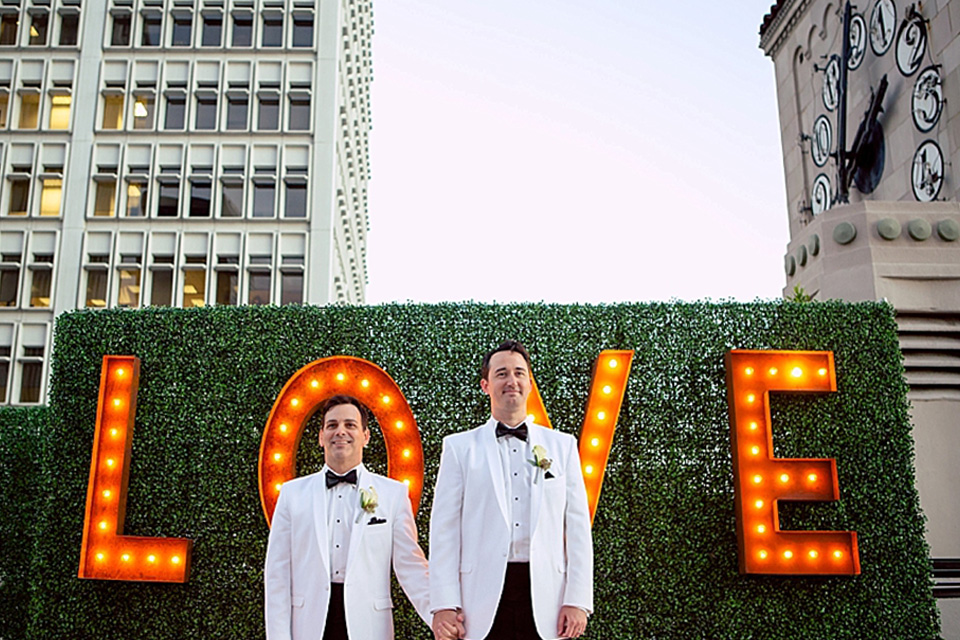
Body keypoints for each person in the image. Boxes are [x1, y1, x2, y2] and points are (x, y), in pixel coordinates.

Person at [429, 341, 593, 640]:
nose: (511, 380)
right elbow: (444, 531)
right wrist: (443, 603)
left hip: (549, 601)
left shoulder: (563, 446)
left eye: (519, 373)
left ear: (530, 384)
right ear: (485, 385)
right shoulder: (459, 447)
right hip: (479, 601)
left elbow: (578, 528)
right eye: (501, 373)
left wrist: (578, 599)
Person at [264, 395, 431, 640]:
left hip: (370, 627)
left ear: (366, 436)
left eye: (350, 425)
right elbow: (277, 574)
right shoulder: (291, 494)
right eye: (332, 425)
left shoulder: (393, 494)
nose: (340, 431)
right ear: (321, 437)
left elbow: (411, 566)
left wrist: (440, 613)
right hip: (308, 626)